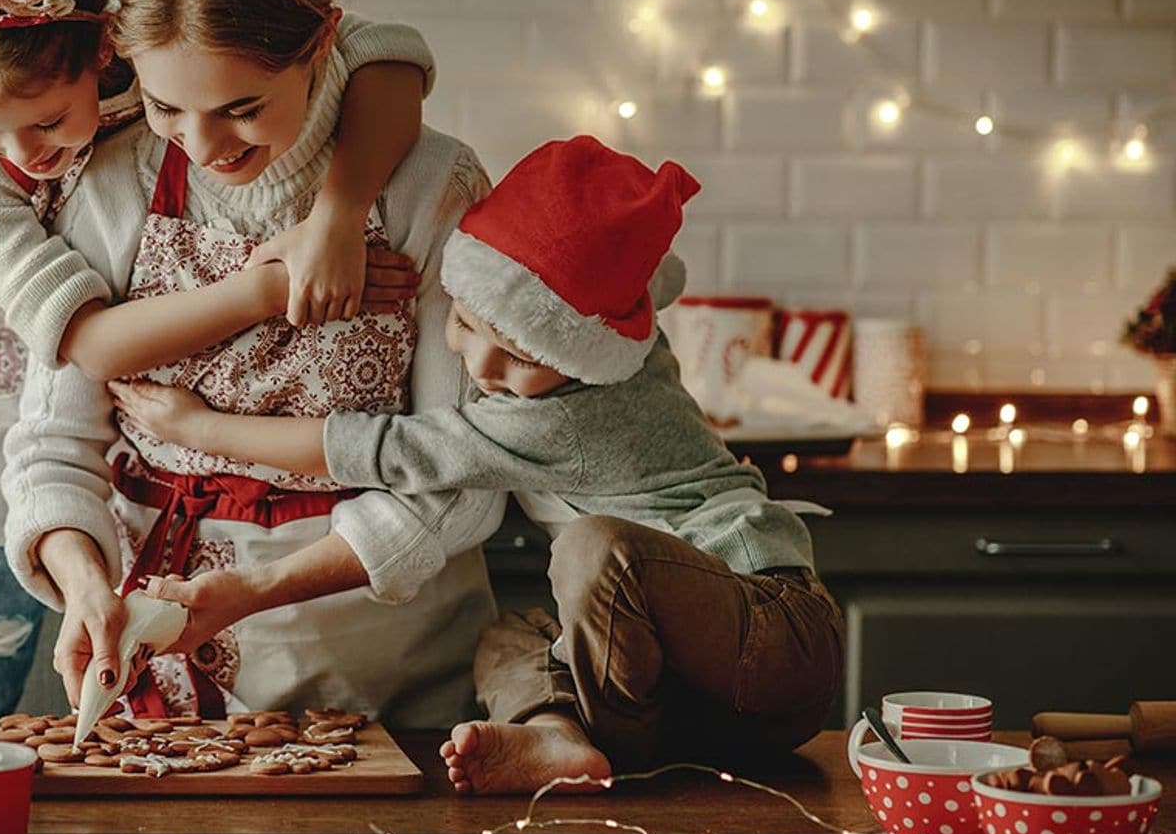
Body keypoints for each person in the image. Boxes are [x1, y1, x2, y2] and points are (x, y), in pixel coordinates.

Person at [112, 135, 844, 791]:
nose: (481, 364)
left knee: (597, 549)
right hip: (703, 699)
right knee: (505, 640)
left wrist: (202, 425)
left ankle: (613, 747)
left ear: (578, 353)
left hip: (769, 632)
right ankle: (560, 738)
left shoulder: (564, 415)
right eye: (463, 323)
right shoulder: (613, 332)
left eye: (521, 356)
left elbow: (382, 449)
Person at [0, 0, 435, 713]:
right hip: (18, 356)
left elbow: (386, 57)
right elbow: (92, 348)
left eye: (44, 123)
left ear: (108, 47)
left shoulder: (162, 65)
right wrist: (269, 287)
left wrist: (339, 213)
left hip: (142, 352)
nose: (19, 155)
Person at [0, 0, 507, 728]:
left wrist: (258, 589)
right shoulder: (115, 178)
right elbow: (54, 442)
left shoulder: (428, 187)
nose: (200, 146)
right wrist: (85, 582)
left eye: (240, 108)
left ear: (322, 44)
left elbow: (459, 476)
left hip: (385, 688)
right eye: (165, 106)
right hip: (158, 691)